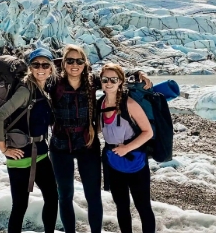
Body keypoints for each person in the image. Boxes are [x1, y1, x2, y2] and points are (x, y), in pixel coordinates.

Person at [47, 44, 151, 233]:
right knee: (65, 195)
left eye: (79, 61)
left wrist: (137, 73)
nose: (74, 65)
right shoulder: (54, 83)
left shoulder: (91, 81)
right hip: (60, 146)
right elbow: (35, 79)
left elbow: (112, 76)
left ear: (85, 63)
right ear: (63, 63)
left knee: (93, 195)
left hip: (87, 145)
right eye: (69, 60)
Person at [0, 48, 58, 233]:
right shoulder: (25, 89)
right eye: (36, 65)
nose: (41, 68)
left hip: (41, 155)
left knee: (52, 199)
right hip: (20, 158)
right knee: (20, 206)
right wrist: (4, 149)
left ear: (51, 69)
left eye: (45, 65)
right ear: (31, 67)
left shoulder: (43, 89)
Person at [97, 63, 156, 233]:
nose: (109, 83)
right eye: (105, 79)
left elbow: (148, 132)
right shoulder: (100, 104)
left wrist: (127, 148)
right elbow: (101, 128)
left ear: (120, 82)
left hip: (135, 162)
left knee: (143, 206)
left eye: (113, 79)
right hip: (113, 163)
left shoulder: (129, 103)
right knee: (121, 207)